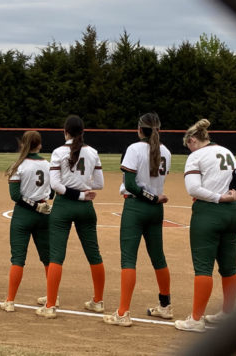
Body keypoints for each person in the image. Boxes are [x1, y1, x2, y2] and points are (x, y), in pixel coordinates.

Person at [103, 113, 172, 327]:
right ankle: (165, 305)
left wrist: (149, 197)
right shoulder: (166, 151)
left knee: (128, 259)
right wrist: (154, 197)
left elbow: (132, 185)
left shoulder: (134, 149)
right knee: (158, 257)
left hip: (136, 207)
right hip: (155, 210)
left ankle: (123, 313)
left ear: (139, 129)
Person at [175, 119, 236, 333]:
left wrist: (218, 197)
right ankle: (229, 314)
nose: (189, 149)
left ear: (193, 140)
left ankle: (195, 319)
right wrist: (229, 197)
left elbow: (193, 189)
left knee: (203, 268)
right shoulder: (227, 151)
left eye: (188, 145)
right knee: (229, 267)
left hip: (209, 213)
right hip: (233, 213)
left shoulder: (196, 156)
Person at [36, 115, 105, 319]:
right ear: (82, 132)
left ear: (65, 131)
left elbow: (55, 185)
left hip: (64, 205)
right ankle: (98, 301)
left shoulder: (58, 152)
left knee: (56, 256)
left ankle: (50, 305)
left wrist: (76, 192)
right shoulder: (92, 152)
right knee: (94, 254)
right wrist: (83, 191)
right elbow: (99, 184)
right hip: (85, 208)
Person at [1, 131, 52, 312]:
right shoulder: (48, 164)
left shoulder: (19, 165)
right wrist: (40, 205)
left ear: (23, 144)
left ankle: (10, 300)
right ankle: (52, 297)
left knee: (18, 259)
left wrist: (32, 205)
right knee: (48, 258)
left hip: (23, 215)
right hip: (44, 214)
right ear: (39, 144)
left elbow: (15, 196)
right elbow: (52, 192)